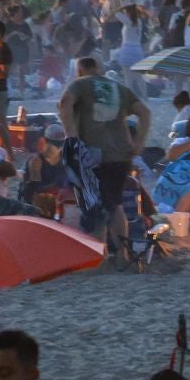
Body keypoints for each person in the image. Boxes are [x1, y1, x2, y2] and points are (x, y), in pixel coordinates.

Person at [59, 57, 152, 267]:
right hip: (120, 155)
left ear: (80, 70)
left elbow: (65, 102)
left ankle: (97, 256)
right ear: (99, 69)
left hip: (91, 152)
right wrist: (138, 142)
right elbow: (145, 112)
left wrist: (71, 135)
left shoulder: (79, 84)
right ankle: (122, 254)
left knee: (94, 204)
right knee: (114, 203)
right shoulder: (118, 87)